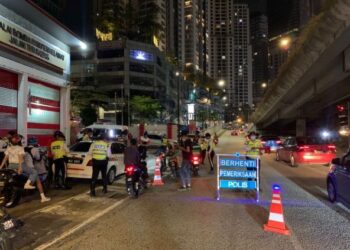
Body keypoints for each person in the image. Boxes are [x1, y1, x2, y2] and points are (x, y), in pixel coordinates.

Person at [24, 138, 51, 203]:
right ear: (35, 142)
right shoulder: (35, 149)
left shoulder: (24, 149)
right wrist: (42, 154)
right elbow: (38, 158)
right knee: (38, 182)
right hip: (32, 168)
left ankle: (28, 194)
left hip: (25, 167)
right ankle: (43, 198)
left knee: (34, 181)